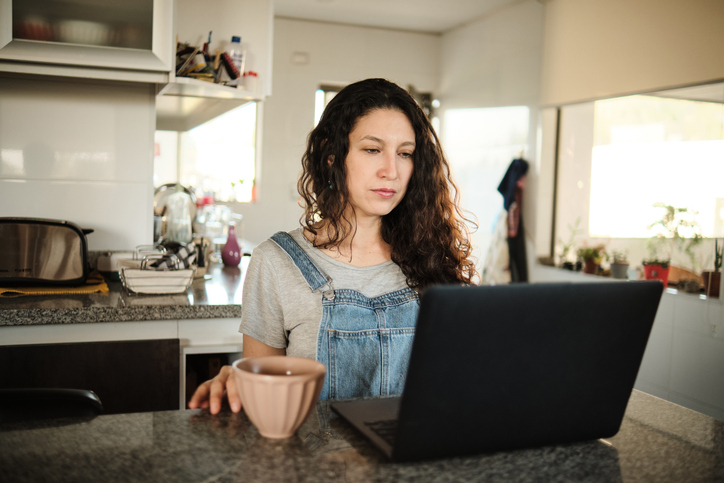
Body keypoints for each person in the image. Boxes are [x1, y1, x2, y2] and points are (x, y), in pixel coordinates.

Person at [189, 78, 477, 414]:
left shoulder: (433, 259)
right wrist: (239, 380)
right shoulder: (275, 262)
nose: (391, 171)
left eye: (405, 154)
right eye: (372, 150)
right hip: (316, 462)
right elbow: (262, 401)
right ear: (331, 155)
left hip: (413, 460)